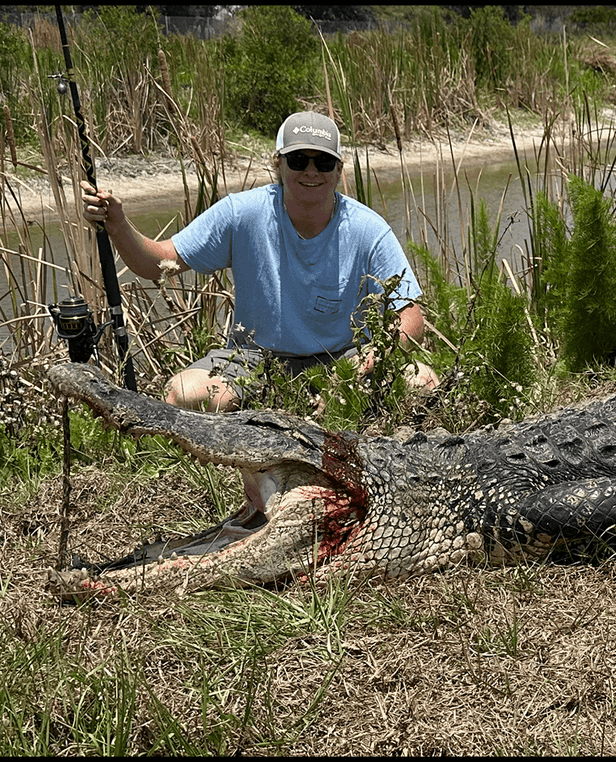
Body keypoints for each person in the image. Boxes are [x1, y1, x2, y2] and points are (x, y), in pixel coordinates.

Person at [76, 111, 439, 559]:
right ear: (278, 165)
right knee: (184, 394)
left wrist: (367, 365)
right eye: (298, 160)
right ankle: (252, 474)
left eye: (322, 163)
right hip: (255, 358)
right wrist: (118, 224)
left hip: (341, 359)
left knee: (421, 381)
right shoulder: (241, 213)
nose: (310, 172)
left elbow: (410, 314)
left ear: (339, 171)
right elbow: (158, 262)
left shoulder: (366, 229)